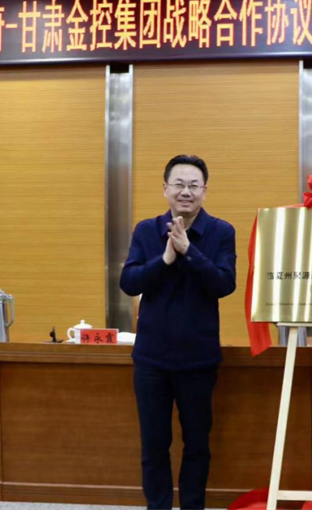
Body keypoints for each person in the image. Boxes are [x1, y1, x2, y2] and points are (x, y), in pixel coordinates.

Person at [121, 155, 236, 510]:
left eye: (193, 185)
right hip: (152, 359)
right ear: (165, 189)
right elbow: (129, 282)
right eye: (179, 184)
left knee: (197, 444)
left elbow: (224, 284)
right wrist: (165, 260)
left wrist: (189, 252)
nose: (186, 192)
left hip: (198, 359)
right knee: (154, 444)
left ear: (204, 190)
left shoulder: (221, 232)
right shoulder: (146, 230)